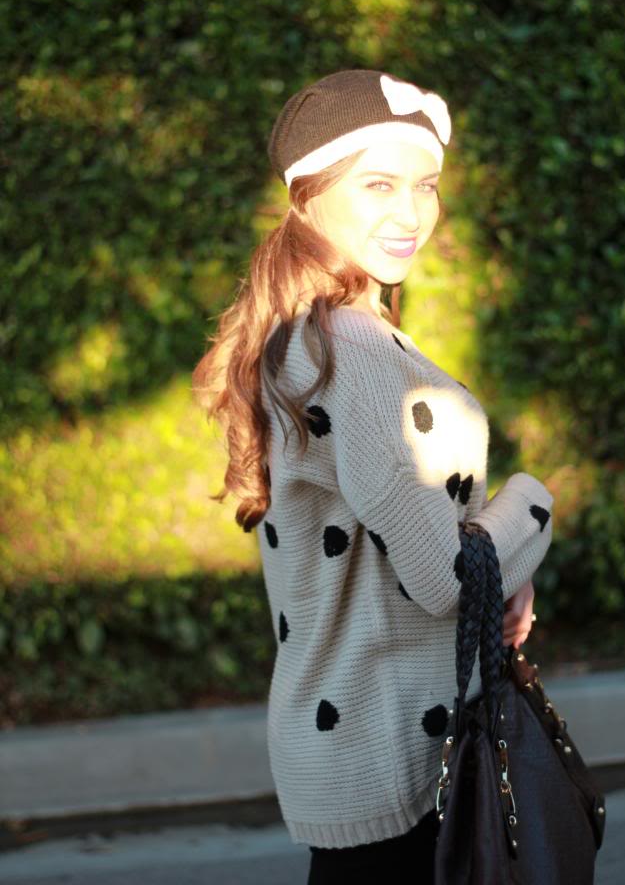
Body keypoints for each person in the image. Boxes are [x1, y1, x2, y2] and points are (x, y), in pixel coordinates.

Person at [191, 69, 554, 884]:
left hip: (363, 747)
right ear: (309, 196)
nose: (413, 213)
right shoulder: (350, 350)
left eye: (426, 185)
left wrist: (505, 569)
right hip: (398, 761)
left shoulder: (315, 333)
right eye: (379, 184)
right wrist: (533, 507)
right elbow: (447, 582)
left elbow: (416, 541)